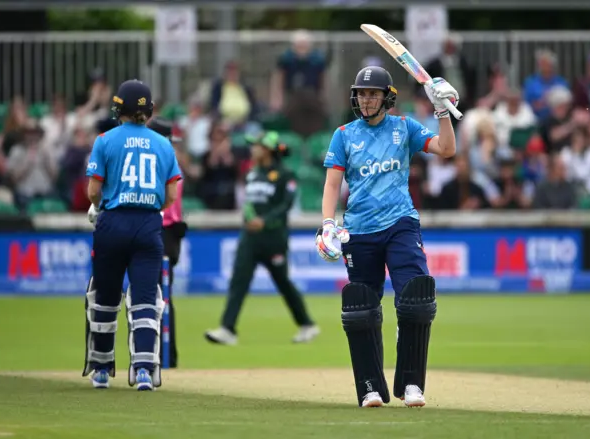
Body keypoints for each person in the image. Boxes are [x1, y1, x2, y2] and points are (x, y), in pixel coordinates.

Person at [316, 66, 458, 408]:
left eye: (372, 94)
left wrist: (442, 111)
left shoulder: (404, 127)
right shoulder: (344, 134)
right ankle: (370, 388)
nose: (366, 100)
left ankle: (412, 385)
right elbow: (333, 184)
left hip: (400, 223)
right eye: (362, 94)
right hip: (360, 230)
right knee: (361, 308)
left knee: (416, 299)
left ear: (387, 98)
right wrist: (327, 223)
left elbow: (446, 149)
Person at [82, 79, 182, 391]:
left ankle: (100, 368)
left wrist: (100, 206)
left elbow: (94, 189)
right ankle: (142, 370)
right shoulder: (163, 144)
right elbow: (171, 196)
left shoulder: (105, 140)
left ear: (117, 108)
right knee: (145, 299)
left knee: (105, 297)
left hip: (112, 223)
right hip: (148, 226)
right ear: (149, 111)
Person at [205, 131, 319, 345]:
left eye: (257, 146)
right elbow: (248, 203)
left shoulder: (285, 174)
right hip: (250, 237)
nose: (253, 149)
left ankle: (307, 324)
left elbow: (285, 205)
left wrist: (264, 221)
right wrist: (250, 219)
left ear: (268, 149)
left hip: (273, 238)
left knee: (283, 282)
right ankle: (227, 329)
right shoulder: (252, 173)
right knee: (238, 281)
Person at [147, 116, 186, 368]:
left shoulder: (167, 164)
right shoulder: (160, 162)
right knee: (153, 295)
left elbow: (166, 200)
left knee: (161, 295)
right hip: (159, 232)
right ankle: (158, 355)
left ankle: (166, 356)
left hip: (164, 232)